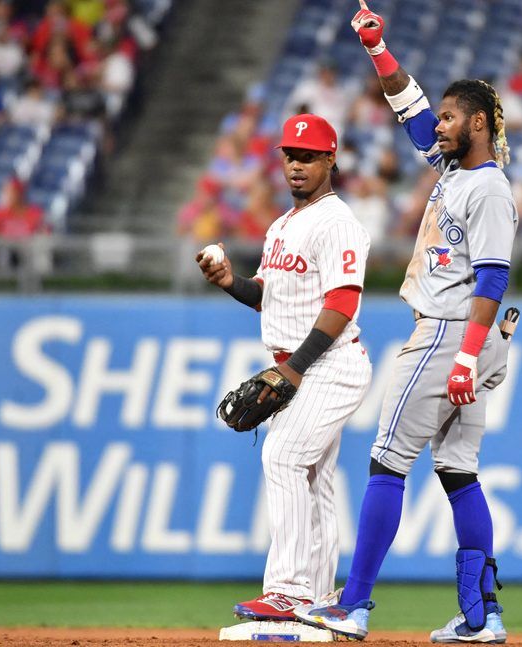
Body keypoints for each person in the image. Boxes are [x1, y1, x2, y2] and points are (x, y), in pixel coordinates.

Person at [296, 3, 517, 643]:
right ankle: (481, 617)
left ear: (477, 122)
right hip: (462, 338)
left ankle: (354, 605)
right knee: (457, 471)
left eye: (451, 117)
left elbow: (494, 278)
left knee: (385, 463)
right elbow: (411, 110)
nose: (439, 125)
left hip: (449, 333)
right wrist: (378, 48)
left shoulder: (489, 188)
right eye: (442, 116)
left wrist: (469, 357)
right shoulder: (458, 170)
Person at [196, 113, 372, 621]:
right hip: (299, 363)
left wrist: (293, 370)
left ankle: (288, 591)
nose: (297, 165)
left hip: (327, 363)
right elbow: (265, 297)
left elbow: (341, 305)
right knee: (314, 480)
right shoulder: (281, 225)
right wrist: (230, 281)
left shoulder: (338, 222)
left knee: (282, 457)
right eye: (291, 155)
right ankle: (319, 599)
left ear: (330, 159)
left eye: (309, 155)